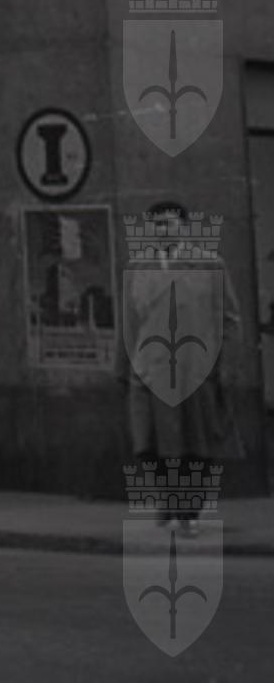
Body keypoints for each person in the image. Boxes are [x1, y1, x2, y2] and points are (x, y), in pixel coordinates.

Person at [125, 200, 244, 538]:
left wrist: (227, 366)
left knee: (194, 446)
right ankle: (168, 498)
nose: (163, 230)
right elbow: (130, 321)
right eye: (157, 224)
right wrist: (125, 366)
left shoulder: (209, 265)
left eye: (170, 223)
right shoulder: (138, 267)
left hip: (195, 369)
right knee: (148, 443)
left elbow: (230, 319)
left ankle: (188, 511)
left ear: (184, 227)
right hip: (149, 370)